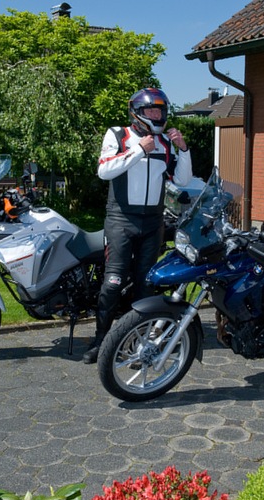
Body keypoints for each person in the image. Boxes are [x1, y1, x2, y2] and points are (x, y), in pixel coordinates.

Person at [82, 87, 192, 364]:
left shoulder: (165, 142)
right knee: (112, 283)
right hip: (121, 219)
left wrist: (184, 149)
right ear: (138, 113)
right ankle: (101, 341)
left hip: (153, 222)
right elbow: (104, 170)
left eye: (160, 111)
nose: (156, 115)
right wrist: (137, 150)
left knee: (146, 286)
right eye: (151, 111)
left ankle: (135, 340)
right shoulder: (118, 135)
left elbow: (182, 181)